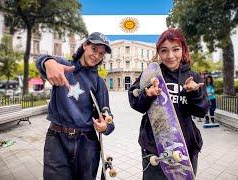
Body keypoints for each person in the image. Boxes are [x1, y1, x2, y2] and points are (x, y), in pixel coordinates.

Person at [128, 28, 209, 179]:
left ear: (183, 50)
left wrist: (194, 94)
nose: (170, 56)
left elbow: (202, 112)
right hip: (154, 147)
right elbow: (135, 103)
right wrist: (147, 94)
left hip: (185, 147)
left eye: (176, 49)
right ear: (159, 52)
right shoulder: (151, 75)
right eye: (164, 51)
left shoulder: (193, 77)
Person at [35, 32, 115, 180]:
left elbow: (108, 119)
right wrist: (48, 62)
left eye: (101, 53)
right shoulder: (64, 66)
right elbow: (40, 60)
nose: (96, 55)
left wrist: (105, 126)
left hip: (87, 144)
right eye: (94, 49)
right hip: (57, 140)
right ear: (85, 45)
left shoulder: (99, 82)